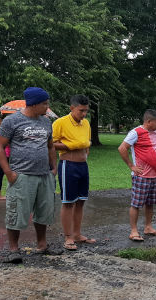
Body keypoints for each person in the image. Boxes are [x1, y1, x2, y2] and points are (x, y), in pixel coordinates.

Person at [0, 87, 57, 263]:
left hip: (44, 175)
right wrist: (8, 172)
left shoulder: (46, 122)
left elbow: (50, 146)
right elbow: (0, 147)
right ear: (34, 104)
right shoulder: (12, 121)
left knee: (43, 212)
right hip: (21, 175)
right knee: (17, 213)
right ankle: (14, 250)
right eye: (45, 103)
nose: (47, 107)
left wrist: (54, 168)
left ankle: (42, 246)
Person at [52, 94, 96, 250]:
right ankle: (68, 237)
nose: (83, 114)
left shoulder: (86, 123)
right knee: (68, 202)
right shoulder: (60, 122)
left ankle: (77, 234)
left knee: (81, 201)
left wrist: (84, 148)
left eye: (86, 111)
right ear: (72, 108)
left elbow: (87, 143)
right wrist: (72, 145)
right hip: (68, 165)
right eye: (81, 111)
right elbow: (51, 144)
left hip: (83, 166)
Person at [118, 109, 156, 240]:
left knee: (150, 203)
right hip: (141, 176)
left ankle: (148, 227)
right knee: (136, 203)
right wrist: (131, 166)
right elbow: (122, 148)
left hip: (154, 175)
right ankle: (133, 231)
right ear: (148, 121)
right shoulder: (136, 132)